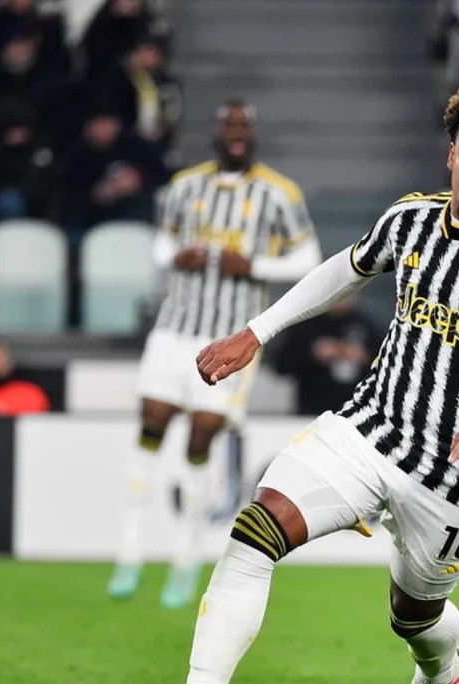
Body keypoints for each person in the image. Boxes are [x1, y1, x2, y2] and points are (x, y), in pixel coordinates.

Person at [93, 79, 459, 684]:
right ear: (451, 156)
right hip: (370, 429)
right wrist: (256, 331)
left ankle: (442, 672)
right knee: (257, 529)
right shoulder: (410, 219)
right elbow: (344, 269)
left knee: (414, 615)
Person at [104, 99, 322, 610]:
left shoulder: (278, 192)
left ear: (255, 133)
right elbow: (161, 244)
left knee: (202, 433)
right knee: (152, 422)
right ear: (216, 133)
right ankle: (129, 551)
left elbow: (308, 257)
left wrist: (254, 266)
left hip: (232, 336)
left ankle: (186, 557)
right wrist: (174, 257)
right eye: (229, 126)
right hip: (174, 328)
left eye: (244, 126)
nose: (237, 134)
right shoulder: (184, 186)